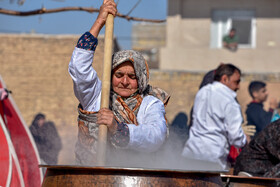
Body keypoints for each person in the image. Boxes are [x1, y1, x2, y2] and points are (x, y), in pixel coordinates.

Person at [68, 0, 169, 166]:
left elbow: (155, 135)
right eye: (119, 74)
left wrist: (117, 128)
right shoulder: (96, 97)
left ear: (141, 79)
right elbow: (79, 68)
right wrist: (100, 21)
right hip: (88, 177)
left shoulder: (150, 104)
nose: (124, 81)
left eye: (132, 77)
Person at [182, 64, 248, 170]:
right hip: (212, 157)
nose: (238, 87)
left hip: (191, 152)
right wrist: (245, 139)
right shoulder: (230, 101)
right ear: (225, 79)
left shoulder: (202, 92)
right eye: (236, 82)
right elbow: (235, 137)